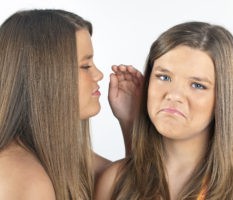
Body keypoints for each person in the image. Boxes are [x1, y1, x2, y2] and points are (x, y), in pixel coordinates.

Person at [94, 21, 233, 199]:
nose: (173, 95)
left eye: (198, 85)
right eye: (164, 77)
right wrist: (131, 121)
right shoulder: (113, 181)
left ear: (223, 98)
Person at [0, 9, 143, 200]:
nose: (99, 74)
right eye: (85, 66)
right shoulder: (24, 179)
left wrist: (131, 121)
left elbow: (135, 185)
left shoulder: (60, 154)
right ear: (46, 77)